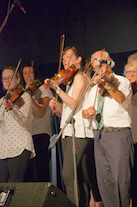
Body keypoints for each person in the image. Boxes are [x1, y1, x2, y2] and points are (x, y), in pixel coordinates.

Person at [82, 50, 134, 207]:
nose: (99, 70)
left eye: (101, 66)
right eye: (96, 67)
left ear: (110, 62)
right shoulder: (93, 88)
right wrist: (88, 112)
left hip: (117, 135)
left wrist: (105, 83)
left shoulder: (121, 81)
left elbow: (120, 98)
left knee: (121, 181)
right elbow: (85, 111)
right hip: (99, 135)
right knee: (104, 181)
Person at [44, 46, 95, 207]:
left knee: (68, 174)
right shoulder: (70, 81)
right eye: (63, 57)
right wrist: (56, 106)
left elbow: (75, 106)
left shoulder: (80, 76)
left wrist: (57, 90)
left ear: (78, 59)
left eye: (67, 56)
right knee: (78, 175)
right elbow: (65, 112)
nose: (64, 60)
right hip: (68, 131)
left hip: (79, 131)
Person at [0, 66, 35, 182]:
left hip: (19, 145)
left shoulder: (24, 97)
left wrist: (11, 108)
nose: (6, 81)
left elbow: (25, 121)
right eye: (4, 78)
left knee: (17, 185)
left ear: (18, 80)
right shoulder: (1, 101)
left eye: (10, 78)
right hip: (3, 148)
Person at [22, 63, 53, 182]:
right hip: (26, 135)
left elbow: (40, 112)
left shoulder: (42, 89)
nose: (29, 76)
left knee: (41, 170)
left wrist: (29, 97)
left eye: (31, 73)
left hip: (40, 133)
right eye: (25, 73)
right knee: (26, 173)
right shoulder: (22, 93)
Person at [124, 61, 137, 207]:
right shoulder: (125, 89)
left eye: (133, 72)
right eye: (127, 72)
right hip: (128, 138)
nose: (129, 75)